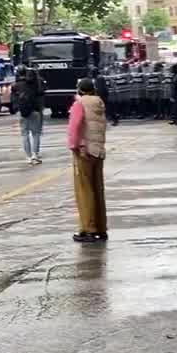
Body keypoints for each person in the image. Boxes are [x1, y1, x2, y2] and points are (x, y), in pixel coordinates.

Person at [67, 78, 108, 243]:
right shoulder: (99, 103)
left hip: (84, 151)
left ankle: (88, 228)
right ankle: (100, 227)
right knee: (98, 189)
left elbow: (75, 126)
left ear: (80, 89)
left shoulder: (80, 103)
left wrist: (75, 145)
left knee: (84, 191)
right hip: (98, 150)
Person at [15, 67, 45, 165]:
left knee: (25, 134)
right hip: (35, 110)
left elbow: (13, 100)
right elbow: (41, 92)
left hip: (22, 112)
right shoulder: (34, 83)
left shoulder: (16, 85)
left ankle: (28, 156)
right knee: (36, 134)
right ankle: (35, 155)